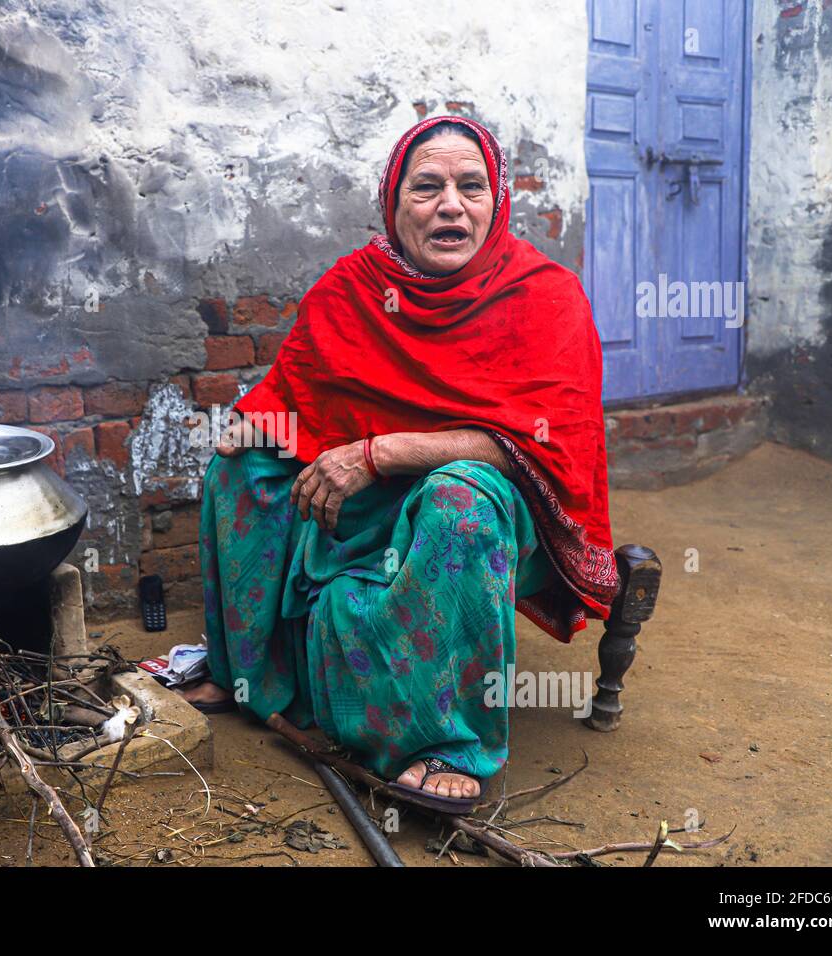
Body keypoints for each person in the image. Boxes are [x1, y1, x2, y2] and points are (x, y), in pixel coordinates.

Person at [180, 116, 619, 813]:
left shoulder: (545, 295)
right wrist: (258, 417)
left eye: (471, 186)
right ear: (394, 202)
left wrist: (382, 454)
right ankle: (252, 676)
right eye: (428, 187)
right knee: (241, 471)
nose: (451, 205)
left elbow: (542, 443)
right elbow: (299, 389)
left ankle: (447, 743)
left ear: (497, 200)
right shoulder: (358, 284)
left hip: (495, 514)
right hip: (366, 503)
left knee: (457, 499)